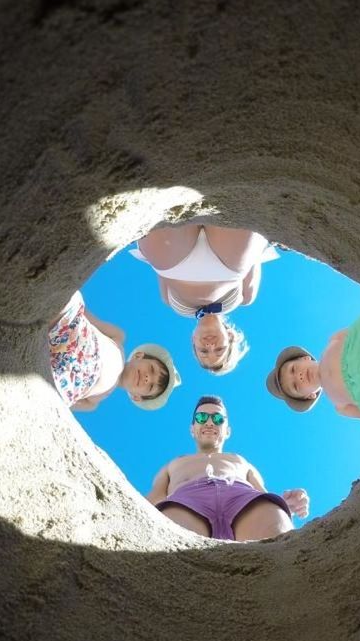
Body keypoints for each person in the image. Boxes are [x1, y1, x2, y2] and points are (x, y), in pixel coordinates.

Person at [146, 395, 310, 541]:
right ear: (192, 429)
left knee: (277, 538)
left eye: (218, 419)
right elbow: (154, 498)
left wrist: (288, 505)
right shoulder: (174, 464)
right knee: (168, 547)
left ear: (227, 431)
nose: (209, 422)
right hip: (186, 501)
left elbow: (262, 492)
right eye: (202, 417)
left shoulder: (240, 461)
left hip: (243, 497)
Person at [131, 222, 279, 374]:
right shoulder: (244, 298)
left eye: (203, 351)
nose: (210, 346)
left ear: (193, 340)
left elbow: (159, 270)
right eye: (220, 349)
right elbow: (255, 257)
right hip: (229, 264)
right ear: (230, 336)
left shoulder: (169, 302)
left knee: (158, 230)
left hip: (175, 264)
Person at [266, 297, 360, 435]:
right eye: (296, 386)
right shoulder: (341, 407)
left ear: (305, 358)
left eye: (293, 370)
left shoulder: (333, 341)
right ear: (310, 395)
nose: (299, 376)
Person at [48, 290, 180, 411]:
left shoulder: (95, 401)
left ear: (136, 397)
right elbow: (91, 320)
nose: (147, 378)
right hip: (67, 333)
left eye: (150, 386)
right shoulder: (118, 340)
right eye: (151, 369)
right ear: (138, 356)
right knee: (69, 303)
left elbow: (68, 404)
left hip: (57, 374)